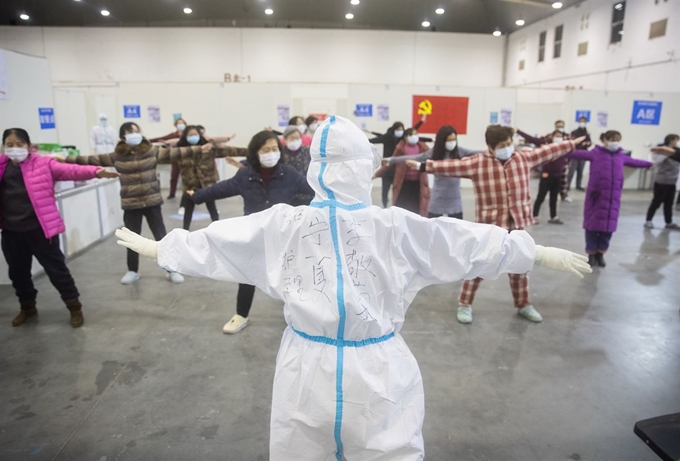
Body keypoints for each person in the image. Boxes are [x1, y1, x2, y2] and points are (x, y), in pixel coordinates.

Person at [116, 115, 590, 461]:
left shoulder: (304, 224)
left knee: (322, 444)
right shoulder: (384, 227)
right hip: (371, 365)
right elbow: (461, 243)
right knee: (365, 446)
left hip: (313, 365)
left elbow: (223, 243)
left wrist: (165, 249)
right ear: (365, 166)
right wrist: (532, 251)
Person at [407, 125, 586, 324]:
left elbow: (548, 151)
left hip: (516, 223)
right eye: (502, 145)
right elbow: (450, 167)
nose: (508, 148)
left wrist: (570, 144)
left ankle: (523, 304)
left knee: (521, 263)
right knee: (479, 265)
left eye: (509, 144)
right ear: (491, 147)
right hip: (489, 227)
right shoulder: (478, 163)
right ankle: (464, 304)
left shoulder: (523, 158)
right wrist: (423, 166)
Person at [187, 130, 314, 334]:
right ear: (256, 152)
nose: (271, 153)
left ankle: (300, 316)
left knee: (291, 276)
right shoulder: (246, 175)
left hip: (283, 236)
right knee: (247, 276)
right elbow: (222, 188)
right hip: (254, 235)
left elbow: (312, 190)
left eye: (274, 149)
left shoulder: (289, 174)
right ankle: (241, 315)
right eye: (266, 150)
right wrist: (198, 196)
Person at [63, 122, 212, 284]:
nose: (135, 134)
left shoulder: (151, 151)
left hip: (152, 201)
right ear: (123, 137)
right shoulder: (117, 156)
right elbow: (91, 159)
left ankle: (171, 270)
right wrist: (65, 159)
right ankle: (132, 271)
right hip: (131, 203)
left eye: (137, 131)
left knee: (161, 237)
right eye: (131, 132)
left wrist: (199, 148)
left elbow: (175, 153)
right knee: (131, 239)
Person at [1, 128, 118, 327]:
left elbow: (71, 171)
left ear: (29, 146)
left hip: (40, 230)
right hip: (11, 231)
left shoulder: (43, 164)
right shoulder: (2, 166)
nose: (15, 149)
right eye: (9, 145)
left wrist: (97, 171)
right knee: (18, 274)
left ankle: (74, 307)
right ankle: (27, 308)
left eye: (19, 144)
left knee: (57, 270)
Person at [567, 131, 653, 267]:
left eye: (618, 139)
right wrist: (557, 148)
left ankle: (600, 254)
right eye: (613, 139)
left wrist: (649, 164)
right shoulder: (595, 153)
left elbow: (635, 162)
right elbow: (573, 153)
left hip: (613, 199)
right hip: (596, 198)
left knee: (608, 229)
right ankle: (591, 254)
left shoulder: (621, 156)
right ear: (605, 140)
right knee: (591, 227)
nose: (615, 142)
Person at [385, 125, 480, 219]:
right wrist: (391, 160)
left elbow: (477, 152)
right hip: (437, 199)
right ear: (442, 141)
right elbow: (415, 157)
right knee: (432, 228)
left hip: (455, 201)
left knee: (456, 230)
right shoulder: (434, 153)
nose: (452, 143)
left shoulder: (459, 152)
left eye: (454, 140)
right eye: (449, 140)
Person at [174, 125, 247, 230]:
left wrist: (250, 151)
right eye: (190, 135)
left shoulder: (209, 148)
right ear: (185, 136)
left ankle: (217, 230)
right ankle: (185, 231)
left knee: (212, 208)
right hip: (190, 185)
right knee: (188, 210)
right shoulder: (181, 151)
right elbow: (166, 155)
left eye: (195, 135)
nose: (193, 137)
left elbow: (229, 150)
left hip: (207, 184)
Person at [368, 116, 427, 208]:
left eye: (402, 129)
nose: (414, 137)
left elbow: (415, 132)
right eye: (398, 129)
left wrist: (421, 121)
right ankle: (385, 206)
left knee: (416, 205)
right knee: (387, 191)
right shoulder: (395, 143)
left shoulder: (420, 146)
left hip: (411, 179)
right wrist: (377, 174)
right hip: (394, 172)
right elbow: (379, 139)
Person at [374, 128, 430, 216]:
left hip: (418, 184)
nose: (414, 137)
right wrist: (377, 174)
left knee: (417, 209)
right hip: (403, 184)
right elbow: (392, 163)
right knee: (402, 209)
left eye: (416, 134)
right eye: (411, 135)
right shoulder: (400, 148)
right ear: (406, 137)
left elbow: (431, 162)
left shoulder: (423, 148)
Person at [517, 120, 573, 203]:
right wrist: (519, 132)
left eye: (562, 126)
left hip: (562, 167)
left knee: (562, 183)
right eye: (558, 127)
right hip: (548, 170)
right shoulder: (547, 141)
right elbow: (533, 139)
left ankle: (563, 196)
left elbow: (574, 148)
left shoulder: (567, 139)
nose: (560, 129)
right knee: (542, 193)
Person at [532, 130, 571, 225]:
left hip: (557, 176)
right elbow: (533, 139)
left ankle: (553, 216)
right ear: (552, 137)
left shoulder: (563, 148)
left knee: (554, 198)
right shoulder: (547, 146)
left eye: (560, 136)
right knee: (541, 196)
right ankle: (534, 216)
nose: (558, 137)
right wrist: (519, 132)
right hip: (546, 175)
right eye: (557, 136)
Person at [645, 135, 680, 230]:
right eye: (675, 140)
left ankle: (669, 222)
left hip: (672, 181)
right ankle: (648, 220)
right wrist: (665, 153)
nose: (676, 142)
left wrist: (672, 152)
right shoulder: (662, 150)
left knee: (669, 203)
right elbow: (657, 161)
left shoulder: (677, 151)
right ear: (670, 140)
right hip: (661, 181)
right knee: (657, 201)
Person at [150, 118, 187, 199]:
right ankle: (172, 193)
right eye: (179, 123)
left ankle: (190, 193)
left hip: (186, 158)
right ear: (175, 125)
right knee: (174, 177)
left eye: (182, 123)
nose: (180, 125)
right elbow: (160, 138)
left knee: (188, 178)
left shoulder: (188, 135)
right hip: (176, 158)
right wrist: (148, 140)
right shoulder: (172, 135)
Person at [281, 125, 314, 206]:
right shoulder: (281, 153)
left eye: (298, 138)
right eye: (292, 138)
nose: (295, 141)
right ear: (285, 139)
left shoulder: (307, 151)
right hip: (287, 194)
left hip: (306, 192)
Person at [568, 116, 592, 191]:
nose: (582, 123)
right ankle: (567, 185)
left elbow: (589, 142)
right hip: (575, 153)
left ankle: (578, 185)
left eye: (584, 122)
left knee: (580, 171)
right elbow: (572, 142)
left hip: (584, 154)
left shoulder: (587, 133)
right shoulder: (574, 132)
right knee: (571, 170)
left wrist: (587, 143)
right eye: (581, 121)